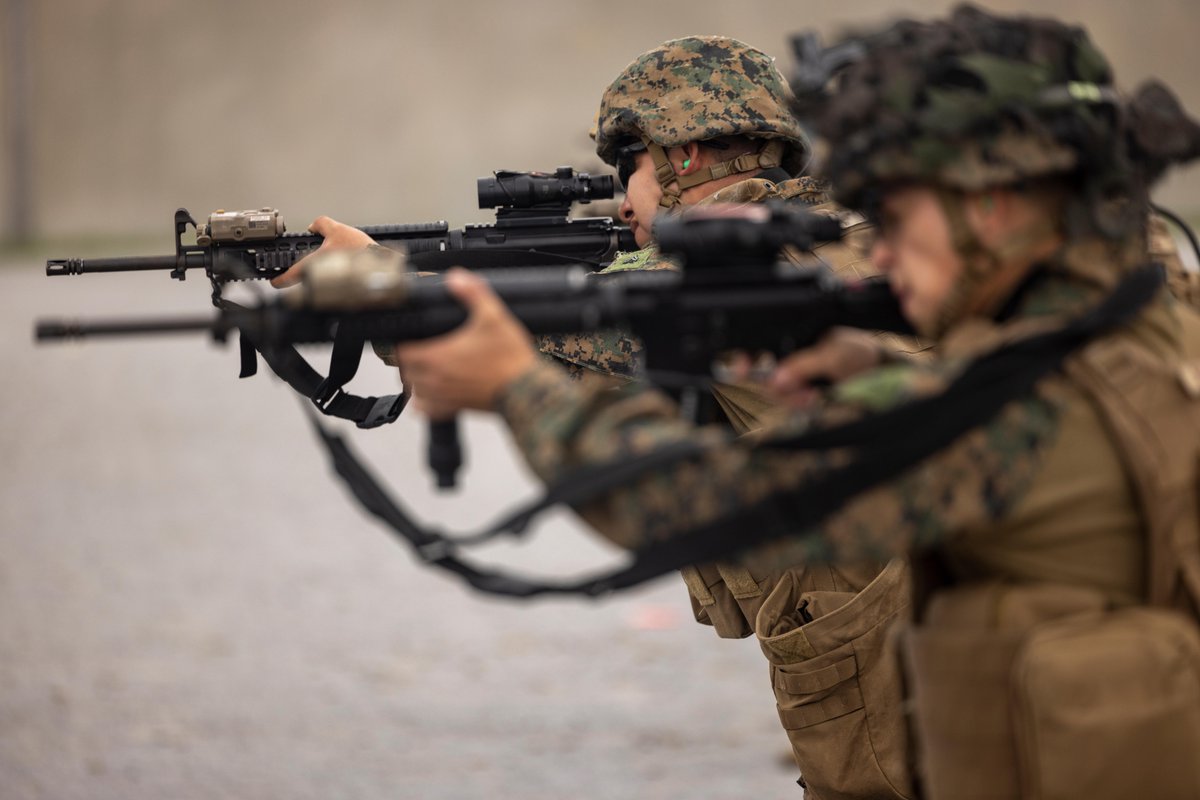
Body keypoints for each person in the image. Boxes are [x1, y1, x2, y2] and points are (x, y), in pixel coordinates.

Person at [392, 6, 1200, 799]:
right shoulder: (1140, 326)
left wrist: (511, 384)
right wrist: (870, 357)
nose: (873, 251)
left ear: (993, 207)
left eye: (897, 215)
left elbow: (696, 501)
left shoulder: (1007, 415)